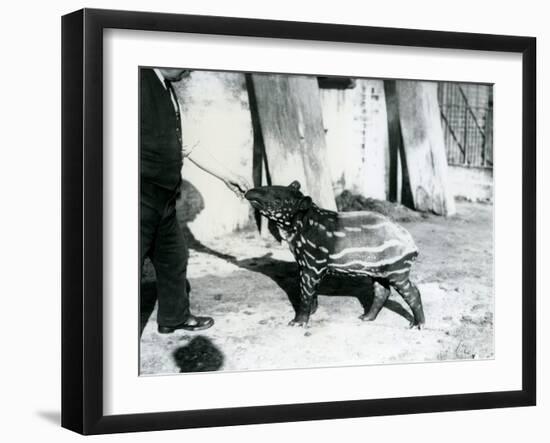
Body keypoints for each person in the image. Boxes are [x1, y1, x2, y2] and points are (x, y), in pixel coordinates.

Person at [140, 67, 249, 333]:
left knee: (174, 256)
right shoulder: (135, 80)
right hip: (137, 196)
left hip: (163, 199)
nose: (188, 72)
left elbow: (188, 143)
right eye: (185, 65)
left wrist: (228, 175)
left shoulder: (168, 89)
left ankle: (173, 318)